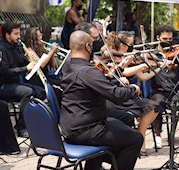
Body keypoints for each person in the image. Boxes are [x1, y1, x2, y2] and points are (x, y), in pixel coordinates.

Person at [60, 30, 144, 170]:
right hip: (85, 130)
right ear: (88, 46)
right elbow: (116, 96)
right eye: (92, 45)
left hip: (70, 126)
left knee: (118, 124)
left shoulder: (68, 66)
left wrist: (112, 77)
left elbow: (99, 85)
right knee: (135, 139)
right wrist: (133, 89)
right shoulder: (87, 71)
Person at [0, 22, 46, 137]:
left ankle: (30, 124)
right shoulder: (0, 50)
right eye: (16, 34)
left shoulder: (15, 47)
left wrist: (28, 58)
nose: (19, 36)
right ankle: (21, 127)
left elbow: (21, 62)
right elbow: (5, 72)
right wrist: (25, 68)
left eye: (19, 33)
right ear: (7, 35)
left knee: (41, 92)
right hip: (2, 86)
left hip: (14, 84)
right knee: (28, 92)